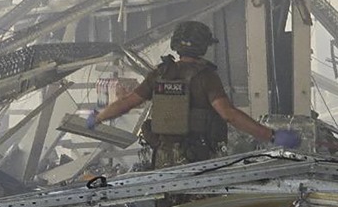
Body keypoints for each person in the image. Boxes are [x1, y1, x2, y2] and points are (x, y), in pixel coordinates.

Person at [87, 21, 301, 168]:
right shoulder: (205, 77)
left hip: (162, 156)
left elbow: (127, 102)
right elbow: (228, 115)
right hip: (197, 157)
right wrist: (271, 136)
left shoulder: (160, 73)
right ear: (203, 47)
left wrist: (98, 117)